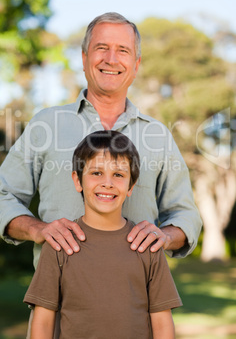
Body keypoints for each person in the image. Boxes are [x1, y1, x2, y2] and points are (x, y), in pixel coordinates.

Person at [0, 11, 202, 265]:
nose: (111, 59)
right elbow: (3, 199)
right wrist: (37, 230)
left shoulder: (159, 136)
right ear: (84, 57)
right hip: (58, 300)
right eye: (102, 48)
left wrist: (165, 236)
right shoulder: (45, 124)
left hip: (137, 300)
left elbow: (186, 215)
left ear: (136, 64)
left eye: (123, 50)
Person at [24, 130, 182, 339]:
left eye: (118, 175)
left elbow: (162, 324)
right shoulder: (59, 244)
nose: (107, 183)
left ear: (131, 186)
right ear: (78, 180)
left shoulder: (147, 245)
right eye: (96, 173)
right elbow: (42, 323)